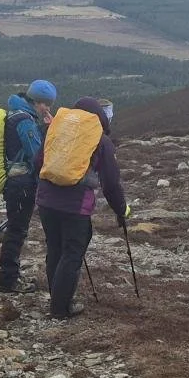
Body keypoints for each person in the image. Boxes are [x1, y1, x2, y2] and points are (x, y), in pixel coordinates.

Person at [34, 97, 127, 319]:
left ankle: (57, 298)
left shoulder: (55, 128)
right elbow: (111, 183)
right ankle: (60, 308)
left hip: (46, 202)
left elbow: (39, 162)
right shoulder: (100, 140)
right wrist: (121, 209)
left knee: (55, 249)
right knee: (72, 254)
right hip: (75, 206)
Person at [0, 79, 56, 293]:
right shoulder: (25, 121)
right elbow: (37, 155)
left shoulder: (15, 113)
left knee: (15, 229)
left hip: (14, 182)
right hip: (21, 184)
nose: (47, 109)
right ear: (37, 101)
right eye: (45, 104)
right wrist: (50, 130)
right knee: (17, 231)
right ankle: (8, 281)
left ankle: (8, 278)